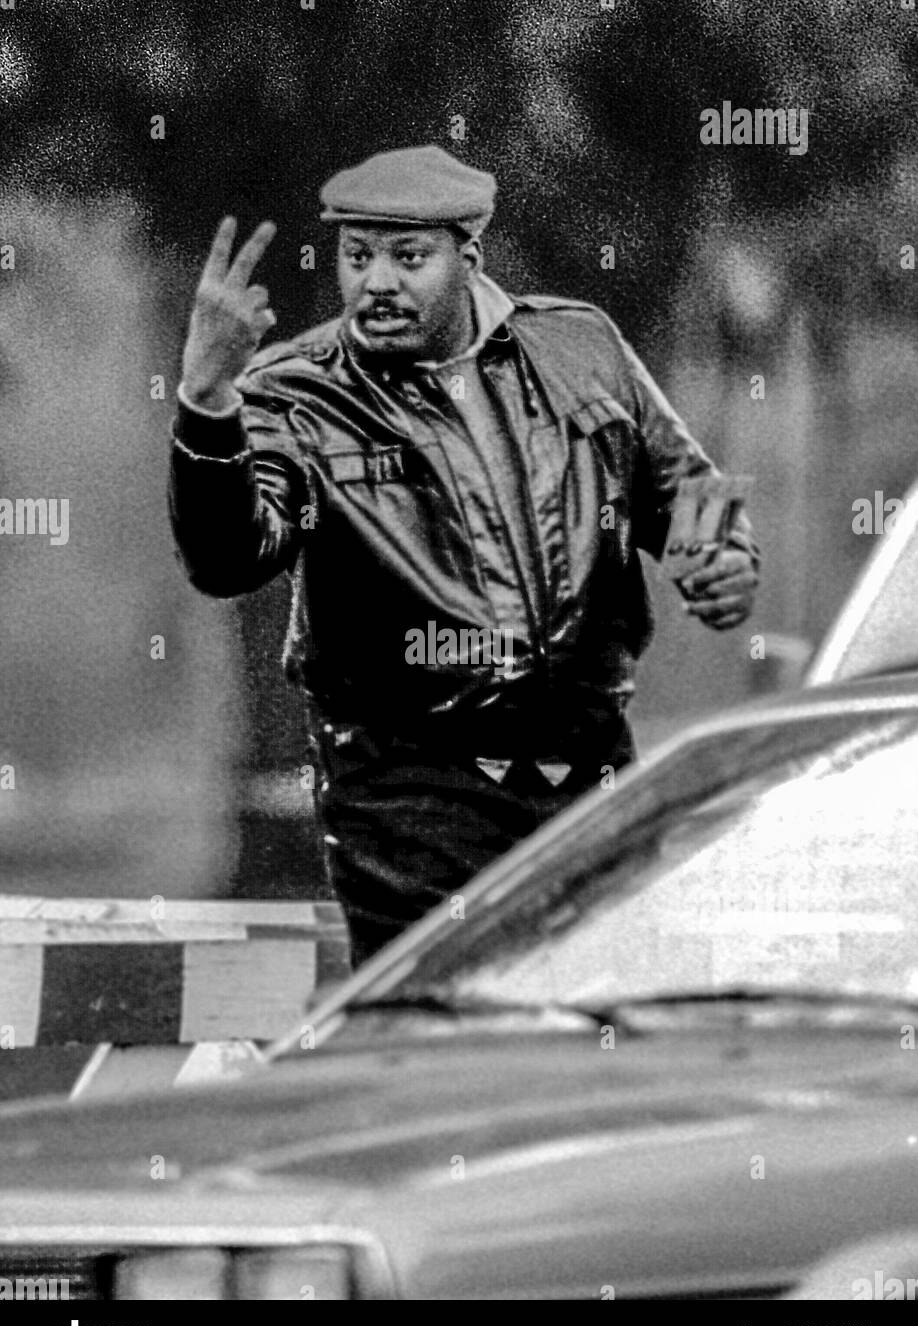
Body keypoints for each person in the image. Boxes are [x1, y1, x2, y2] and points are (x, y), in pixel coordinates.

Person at [169, 144, 760, 968]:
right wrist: (206, 405)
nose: (377, 282)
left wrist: (723, 563)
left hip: (591, 773)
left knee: (603, 1025)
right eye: (357, 256)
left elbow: (689, 496)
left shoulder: (581, 346)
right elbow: (228, 559)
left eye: (408, 257)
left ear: (468, 257)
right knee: (450, 1032)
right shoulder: (292, 393)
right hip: (412, 798)